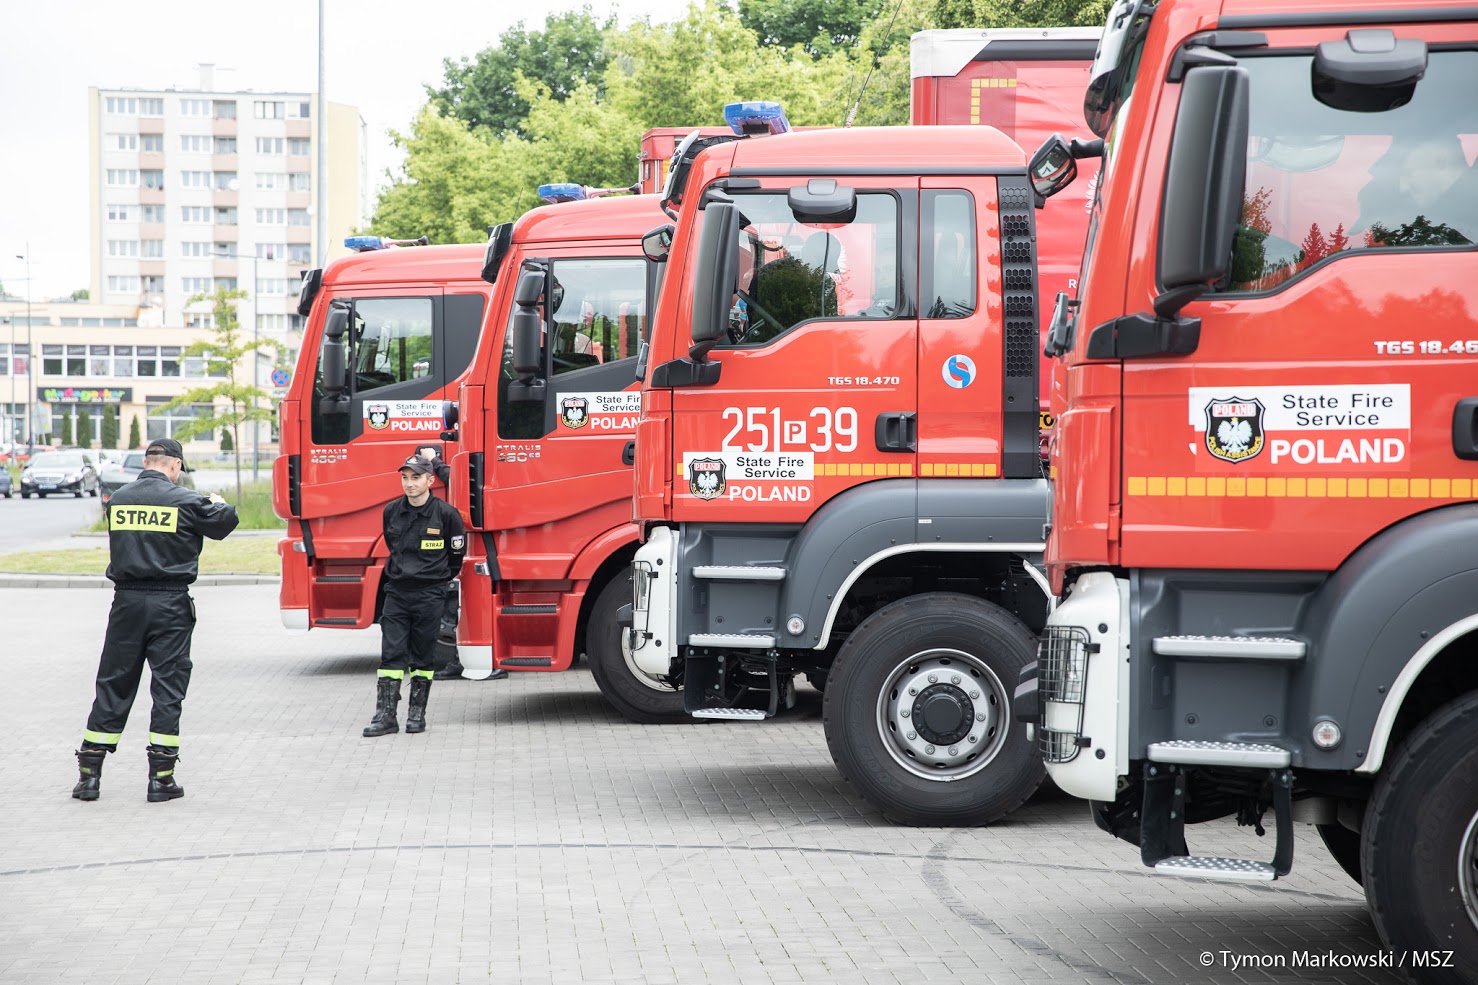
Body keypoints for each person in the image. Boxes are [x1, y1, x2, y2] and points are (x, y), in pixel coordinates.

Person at [72, 438, 239, 802]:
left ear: (147, 462)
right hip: (170, 604)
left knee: (114, 682)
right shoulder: (186, 501)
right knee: (168, 686)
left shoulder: (118, 500)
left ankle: (89, 776)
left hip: (126, 603)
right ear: (175, 465)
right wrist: (218, 501)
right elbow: (225, 522)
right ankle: (161, 779)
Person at [363, 454, 468, 737]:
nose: (409, 483)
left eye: (416, 477)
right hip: (397, 594)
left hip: (429, 595)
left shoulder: (447, 515)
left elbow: (456, 556)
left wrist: (436, 582)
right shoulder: (392, 511)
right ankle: (385, 717)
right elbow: (392, 545)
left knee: (423, 657)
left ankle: (416, 716)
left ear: (430, 480)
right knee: (391, 655)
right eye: (405, 477)